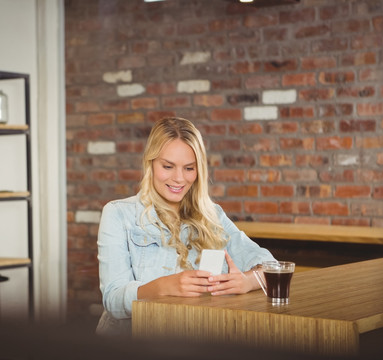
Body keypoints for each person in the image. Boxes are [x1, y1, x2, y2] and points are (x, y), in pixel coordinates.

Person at [96, 117, 276, 336]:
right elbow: (113, 300)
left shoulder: (212, 215)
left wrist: (246, 281)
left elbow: (272, 267)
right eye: (168, 166)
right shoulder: (118, 214)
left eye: (189, 168)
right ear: (150, 163)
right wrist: (164, 287)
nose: (179, 178)